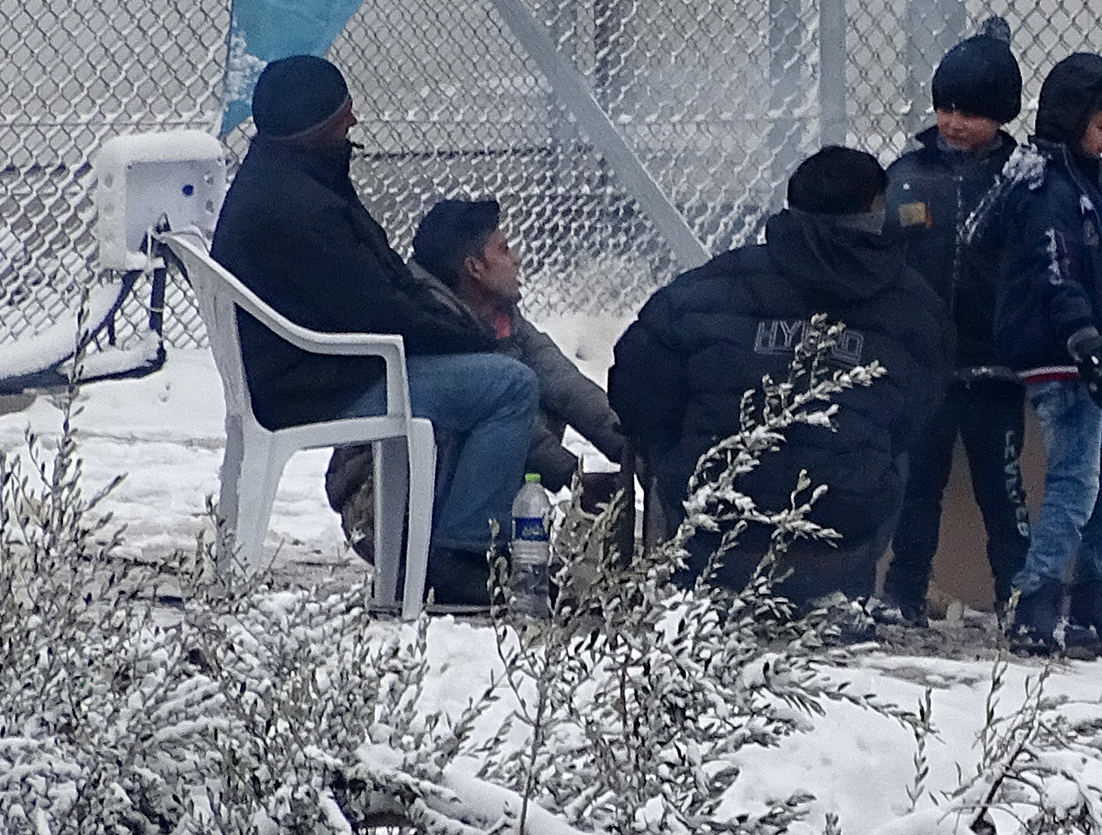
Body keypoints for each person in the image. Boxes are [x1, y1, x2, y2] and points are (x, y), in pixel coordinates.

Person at [210, 54, 544, 607]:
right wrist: (471, 339)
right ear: (315, 128)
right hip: (318, 385)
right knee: (507, 385)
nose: (353, 122)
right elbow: (380, 312)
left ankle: (439, 547)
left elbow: (383, 287)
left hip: (306, 371)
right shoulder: (300, 209)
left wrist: (451, 329)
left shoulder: (284, 178)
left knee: (489, 374)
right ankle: (460, 555)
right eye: (342, 116)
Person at [606, 147, 949, 605]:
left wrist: (678, 461)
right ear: (875, 210)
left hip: (713, 532)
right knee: (892, 451)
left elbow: (634, 387)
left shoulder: (706, 289)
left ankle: (692, 589)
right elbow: (920, 411)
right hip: (841, 541)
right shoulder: (916, 308)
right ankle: (846, 597)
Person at [321, 196, 633, 565]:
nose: (517, 259)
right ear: (474, 268)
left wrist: (633, 442)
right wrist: (575, 476)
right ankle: (461, 557)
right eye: (503, 249)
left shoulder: (499, 315)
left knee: (538, 393)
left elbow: (564, 382)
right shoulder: (426, 318)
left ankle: (483, 547)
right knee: (502, 402)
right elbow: (513, 423)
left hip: (437, 491)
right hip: (380, 508)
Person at [973, 52, 1102, 658]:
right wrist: (1087, 345)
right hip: (1062, 357)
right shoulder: (1049, 190)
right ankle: (1034, 603)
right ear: (1073, 119)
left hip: (1085, 358)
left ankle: (1093, 604)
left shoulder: (1075, 182)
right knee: (1076, 485)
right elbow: (1057, 276)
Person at [875, 21, 1030, 622]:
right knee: (917, 485)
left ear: (1003, 115)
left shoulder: (1023, 178)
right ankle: (904, 592)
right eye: (946, 108)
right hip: (926, 365)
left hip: (996, 366)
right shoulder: (907, 176)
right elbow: (883, 257)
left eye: (972, 112)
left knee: (1003, 490)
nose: (955, 123)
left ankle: (1017, 595)